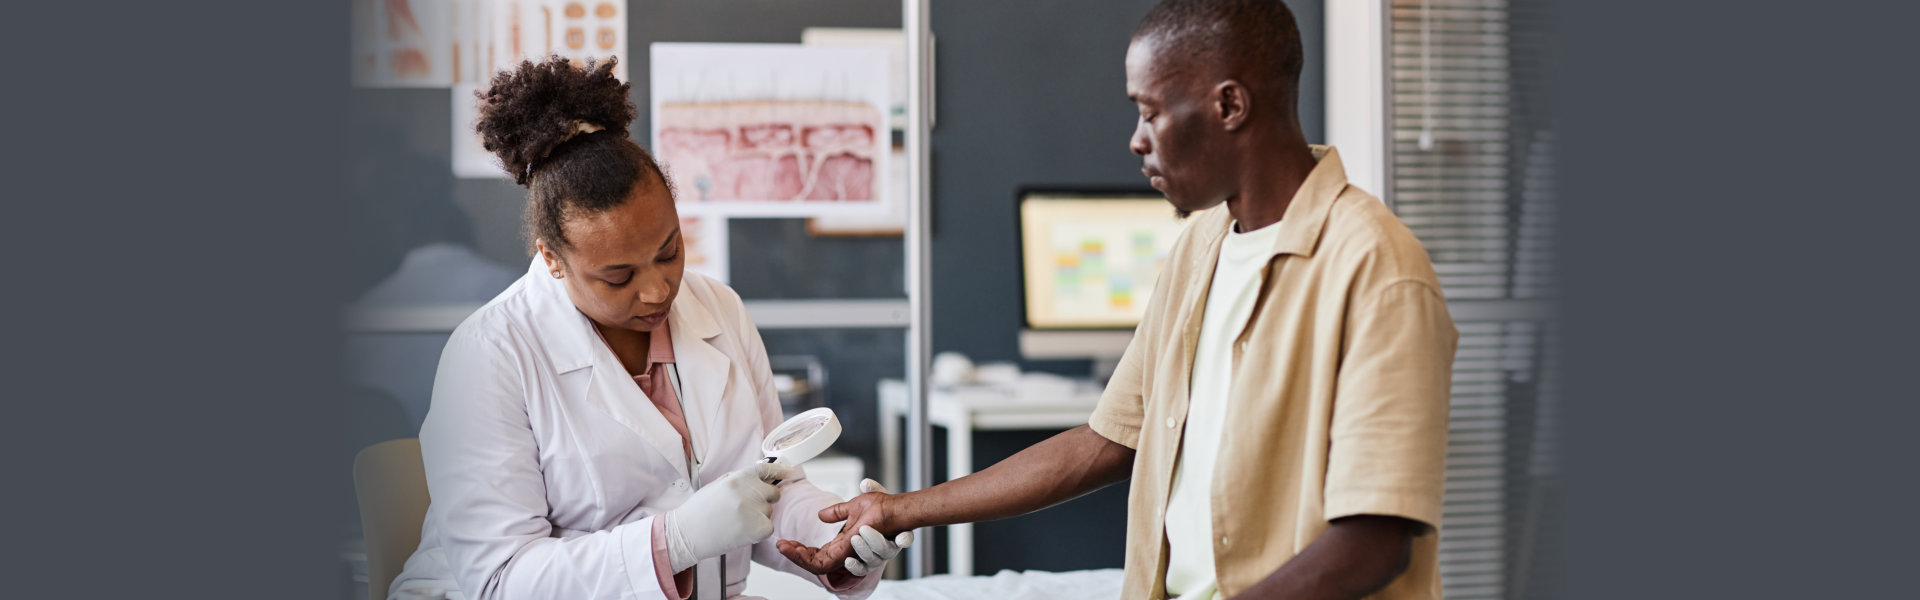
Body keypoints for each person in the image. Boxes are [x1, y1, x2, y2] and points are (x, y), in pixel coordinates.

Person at [777, 2, 1459, 599]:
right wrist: (901, 511)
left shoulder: (1378, 270)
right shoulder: (1201, 245)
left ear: (1229, 105)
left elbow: (1374, 540)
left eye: (1151, 112)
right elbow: (1104, 441)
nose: (1136, 139)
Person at [388, 56, 907, 600]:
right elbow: (500, 580)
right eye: (618, 277)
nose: (658, 290)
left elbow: (770, 490)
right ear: (552, 259)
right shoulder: (490, 354)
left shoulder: (719, 309)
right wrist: (673, 540)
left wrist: (834, 539)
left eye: (669, 252)